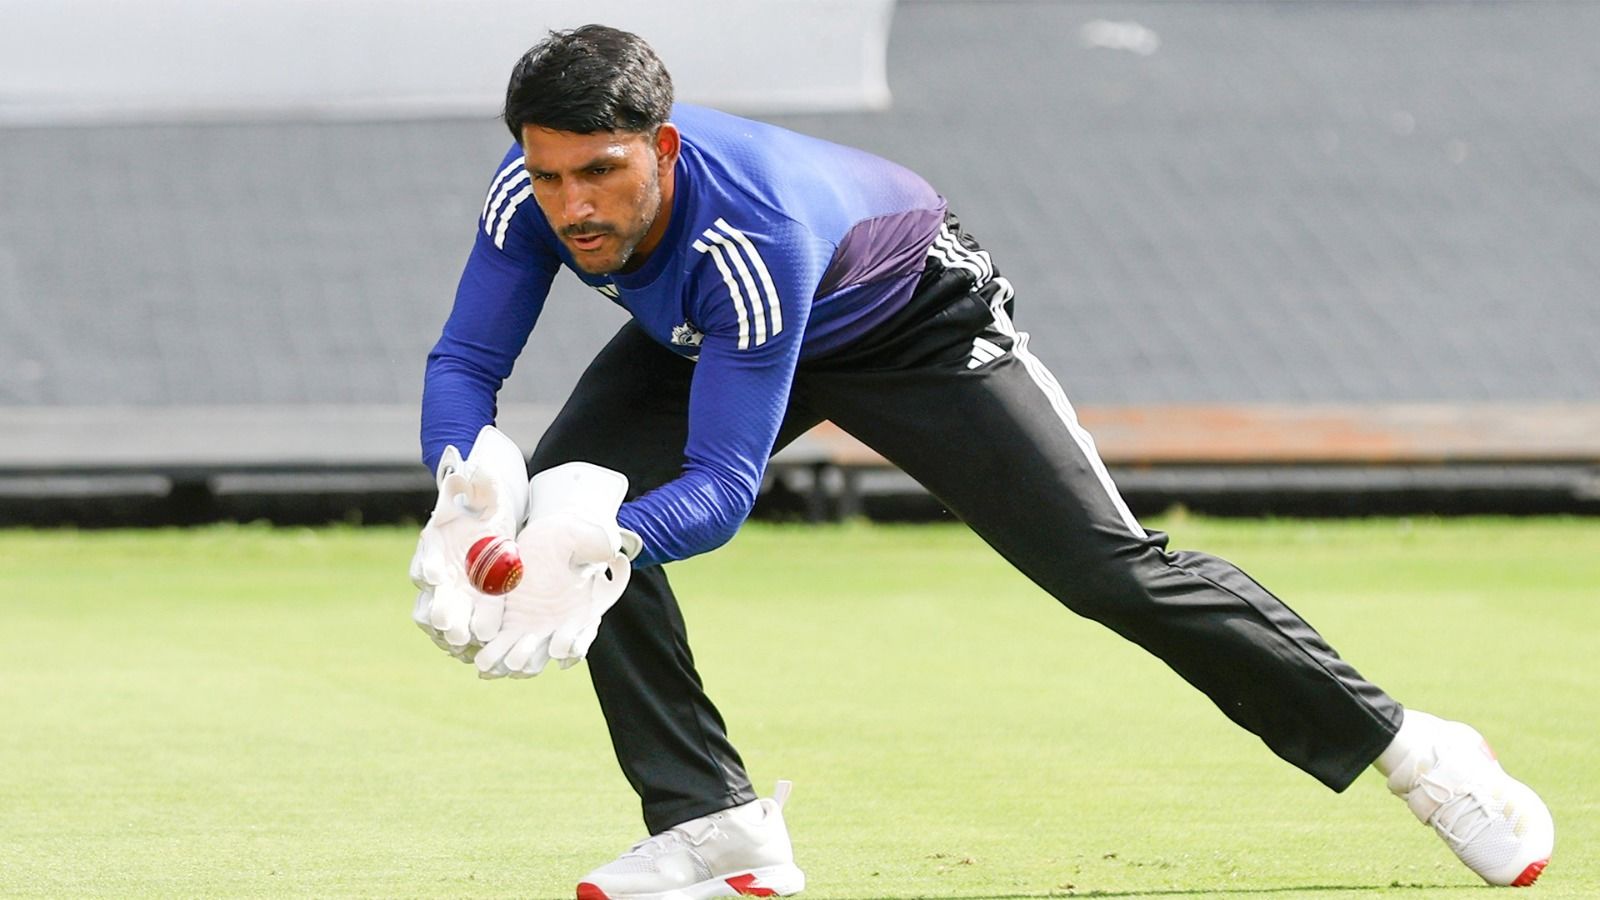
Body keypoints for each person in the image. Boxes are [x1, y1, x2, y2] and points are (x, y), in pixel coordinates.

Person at [411, 24, 1554, 899]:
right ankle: (712, 828)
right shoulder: (532, 195)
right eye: (551, 175)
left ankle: (1416, 749)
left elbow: (715, 492)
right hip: (715, 336)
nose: (572, 206)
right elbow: (466, 358)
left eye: (600, 173)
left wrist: (605, 539)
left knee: (1105, 568)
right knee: (563, 495)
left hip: (909, 325)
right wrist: (469, 499)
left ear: (660, 146)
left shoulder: (751, 231)